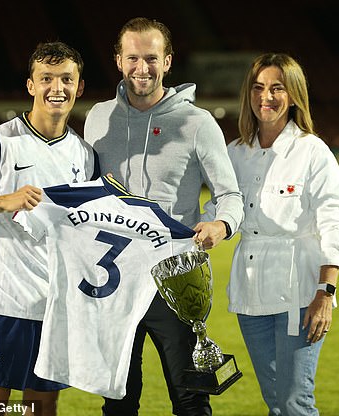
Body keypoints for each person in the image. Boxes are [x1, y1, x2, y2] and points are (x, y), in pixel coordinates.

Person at [84, 17, 244, 416]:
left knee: (190, 397)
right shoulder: (97, 118)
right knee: (118, 397)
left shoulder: (197, 122)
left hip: (173, 280)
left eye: (151, 58)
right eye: (133, 58)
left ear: (168, 61)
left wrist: (220, 224)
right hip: (113, 279)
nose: (143, 68)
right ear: (119, 61)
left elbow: (230, 194)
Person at [0, 41, 99, 416]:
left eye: (65, 79)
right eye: (46, 78)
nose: (56, 88)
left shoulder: (85, 155)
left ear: (79, 88)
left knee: (42, 409)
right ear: (31, 85)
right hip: (4, 301)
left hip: (55, 306)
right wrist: (3, 200)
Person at [224, 53, 339, 415]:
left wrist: (326, 291)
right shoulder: (235, 153)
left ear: (293, 95)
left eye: (277, 88)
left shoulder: (312, 152)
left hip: (300, 293)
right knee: (275, 403)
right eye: (259, 88)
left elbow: (332, 222)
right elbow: (221, 210)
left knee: (295, 402)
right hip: (250, 294)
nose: (266, 97)